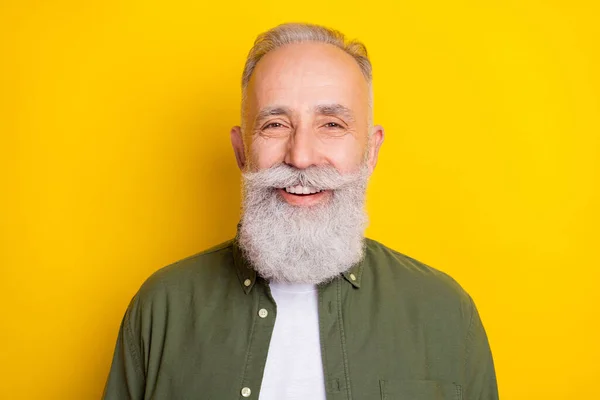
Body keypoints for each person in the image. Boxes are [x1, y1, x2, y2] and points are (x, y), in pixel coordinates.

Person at [102, 22, 498, 400]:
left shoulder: (445, 312)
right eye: (275, 124)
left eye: (332, 124)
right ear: (242, 151)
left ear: (371, 151)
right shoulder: (161, 308)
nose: (301, 157)